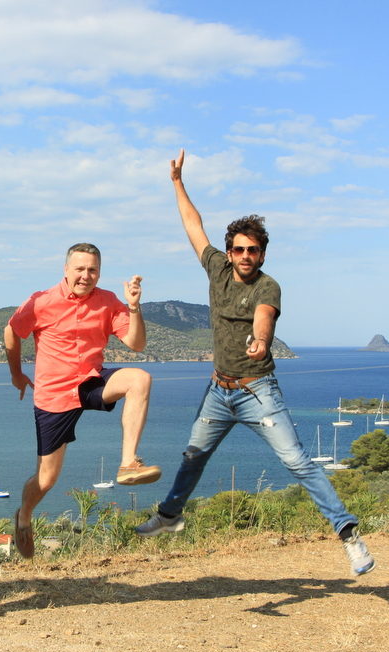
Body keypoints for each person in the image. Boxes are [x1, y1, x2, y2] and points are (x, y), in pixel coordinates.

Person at [135, 149, 375, 575]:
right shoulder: (217, 270)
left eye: (254, 250)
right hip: (217, 391)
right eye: (239, 249)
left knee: (297, 461)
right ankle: (171, 516)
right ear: (229, 252)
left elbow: (263, 320)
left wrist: (261, 344)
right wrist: (176, 182)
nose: (246, 255)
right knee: (193, 456)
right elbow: (194, 226)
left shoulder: (269, 286)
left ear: (263, 254)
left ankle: (347, 533)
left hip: (256, 392)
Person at [6, 243, 160, 559]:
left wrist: (133, 307)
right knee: (46, 479)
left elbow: (137, 344)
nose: (85, 276)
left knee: (140, 378)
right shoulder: (42, 301)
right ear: (66, 270)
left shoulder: (106, 302)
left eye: (92, 270)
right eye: (80, 269)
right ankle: (23, 515)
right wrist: (17, 374)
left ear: (99, 273)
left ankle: (128, 463)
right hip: (54, 396)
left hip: (90, 380)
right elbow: (12, 332)